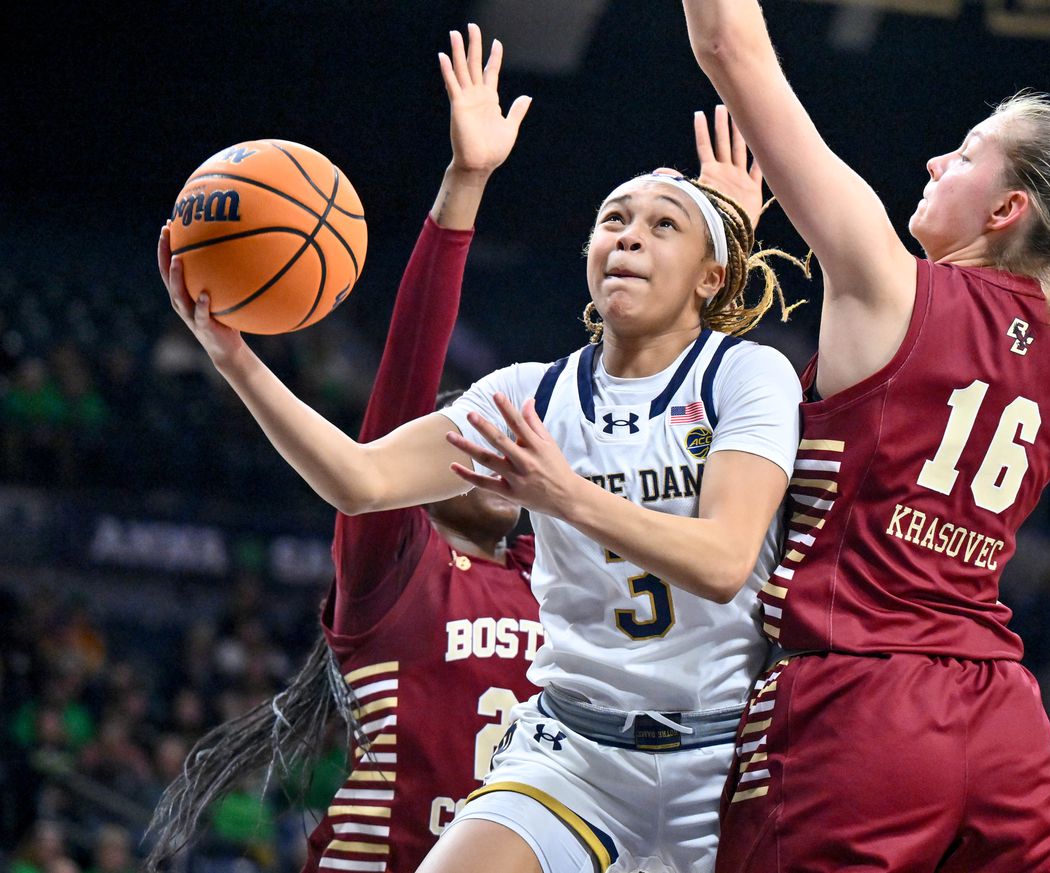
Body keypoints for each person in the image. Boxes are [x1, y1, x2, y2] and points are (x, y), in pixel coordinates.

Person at [157, 25, 802, 873]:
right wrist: (235, 358)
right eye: (613, 219)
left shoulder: (749, 375)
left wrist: (564, 492)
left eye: (663, 223)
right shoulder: (526, 395)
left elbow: (723, 561)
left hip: (720, 758)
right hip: (573, 754)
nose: (630, 235)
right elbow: (359, 477)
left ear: (712, 277)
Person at [683, 1, 1050, 871]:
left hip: (859, 701)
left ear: (1006, 208)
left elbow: (730, 44)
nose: (935, 159)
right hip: (1002, 721)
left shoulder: (884, 286)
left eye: (964, 154)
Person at [145, 26, 542, 873]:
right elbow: (407, 377)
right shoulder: (392, 565)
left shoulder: (563, 568)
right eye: (461, 436)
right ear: (418, 473)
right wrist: (462, 188)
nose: (491, 448)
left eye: (503, 435)